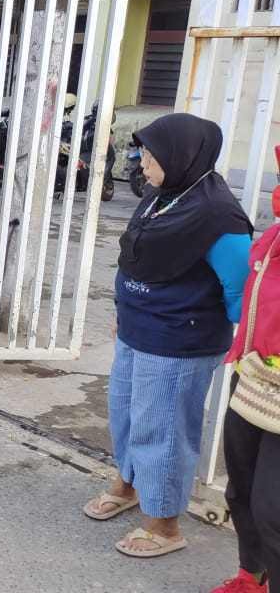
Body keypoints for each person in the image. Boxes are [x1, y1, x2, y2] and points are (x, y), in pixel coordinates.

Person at [82, 113, 254, 558]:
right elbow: (135, 257)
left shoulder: (220, 217)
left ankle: (164, 525)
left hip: (181, 339)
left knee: (164, 429)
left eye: (152, 156)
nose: (143, 164)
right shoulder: (164, 194)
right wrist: (126, 309)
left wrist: (249, 349)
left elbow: (239, 291)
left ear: (182, 156)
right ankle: (130, 485)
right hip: (139, 329)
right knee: (125, 414)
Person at [209, 192, 280, 593]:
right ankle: (251, 575)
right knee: (242, 488)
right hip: (255, 375)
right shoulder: (272, 237)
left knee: (274, 508)